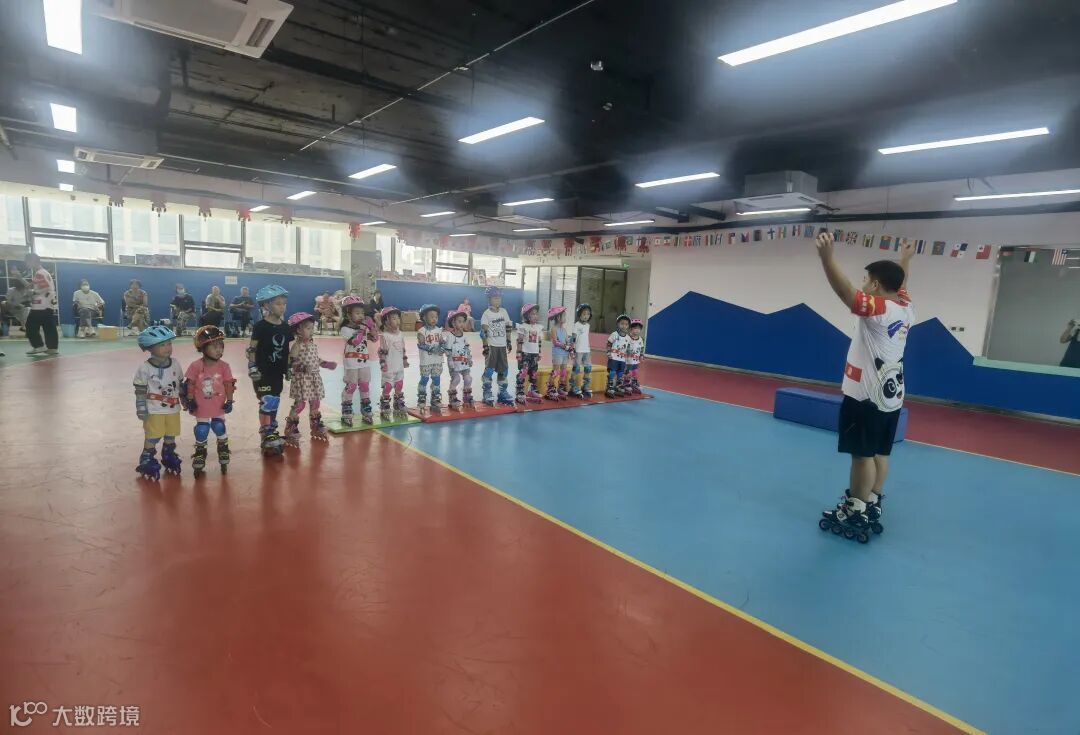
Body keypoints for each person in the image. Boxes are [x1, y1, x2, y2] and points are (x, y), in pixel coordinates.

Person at [816, 232, 916, 542]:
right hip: (891, 399)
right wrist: (904, 260)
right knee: (879, 452)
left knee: (861, 456)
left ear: (875, 285)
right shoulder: (905, 307)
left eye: (866, 280)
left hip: (864, 397)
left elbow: (846, 292)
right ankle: (872, 499)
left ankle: (855, 508)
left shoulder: (879, 310)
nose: (862, 284)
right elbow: (900, 285)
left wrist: (826, 258)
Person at [133, 326, 184, 480]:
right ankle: (147, 457)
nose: (168, 348)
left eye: (169, 343)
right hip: (154, 410)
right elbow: (140, 389)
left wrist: (186, 400)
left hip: (173, 409)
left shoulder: (175, 364)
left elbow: (180, 385)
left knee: (171, 434)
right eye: (162, 345)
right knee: (153, 436)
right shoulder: (145, 368)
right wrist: (141, 406)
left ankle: (168, 454)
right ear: (150, 347)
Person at [184, 325, 235, 476]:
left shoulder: (224, 366)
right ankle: (200, 451)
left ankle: (223, 446)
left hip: (218, 404)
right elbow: (190, 384)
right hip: (201, 405)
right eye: (214, 346)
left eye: (221, 346)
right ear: (203, 348)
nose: (219, 350)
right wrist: (190, 400)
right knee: (202, 430)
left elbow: (229, 384)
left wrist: (230, 401)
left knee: (219, 426)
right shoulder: (196, 366)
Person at [248, 285, 291, 456]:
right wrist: (252, 366)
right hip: (262, 372)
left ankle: (271, 430)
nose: (283, 307)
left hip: (277, 372)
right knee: (267, 401)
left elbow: (287, 350)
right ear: (266, 305)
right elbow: (252, 348)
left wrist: (288, 367)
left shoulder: (285, 327)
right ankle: (266, 433)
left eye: (284, 304)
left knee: (275, 400)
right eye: (278, 304)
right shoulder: (260, 326)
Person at [283, 312, 336, 445]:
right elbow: (291, 363)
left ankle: (315, 426)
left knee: (315, 402)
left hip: (314, 378)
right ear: (298, 330)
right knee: (300, 404)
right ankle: (290, 428)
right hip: (302, 380)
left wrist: (326, 364)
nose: (311, 331)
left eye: (312, 328)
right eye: (308, 328)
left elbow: (315, 359)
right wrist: (302, 368)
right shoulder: (297, 346)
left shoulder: (312, 344)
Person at [339, 296, 379, 426]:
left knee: (365, 385)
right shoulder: (345, 329)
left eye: (362, 313)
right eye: (357, 313)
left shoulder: (363, 327)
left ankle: (366, 409)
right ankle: (346, 410)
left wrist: (372, 327)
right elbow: (355, 342)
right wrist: (363, 328)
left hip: (364, 362)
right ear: (348, 315)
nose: (361, 315)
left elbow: (375, 339)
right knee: (351, 386)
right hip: (351, 363)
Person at [479, 286, 514, 406]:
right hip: (492, 346)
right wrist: (485, 346)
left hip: (502, 346)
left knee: (504, 370)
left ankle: (502, 392)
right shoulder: (486, 314)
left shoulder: (504, 312)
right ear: (489, 299)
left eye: (499, 298)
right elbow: (483, 332)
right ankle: (487, 392)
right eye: (495, 298)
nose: (498, 300)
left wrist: (509, 341)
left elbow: (508, 327)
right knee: (489, 370)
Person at [21, 253, 59, 355]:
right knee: (48, 325)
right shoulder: (42, 272)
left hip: (41, 304)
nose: (26, 264)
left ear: (33, 261)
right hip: (47, 304)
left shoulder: (40, 273)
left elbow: (45, 287)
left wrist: (33, 292)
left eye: (27, 261)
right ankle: (52, 347)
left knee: (30, 325)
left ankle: (39, 346)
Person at [377, 306, 408, 418]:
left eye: (398, 318)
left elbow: (403, 349)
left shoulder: (401, 334)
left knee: (399, 384)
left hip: (399, 366)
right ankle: (384, 403)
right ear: (386, 321)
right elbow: (382, 352)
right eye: (394, 318)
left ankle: (398, 402)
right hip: (389, 366)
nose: (397, 320)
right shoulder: (385, 336)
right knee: (388, 386)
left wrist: (405, 360)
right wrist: (382, 364)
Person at [416, 304, 445, 413]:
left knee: (436, 379)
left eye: (436, 317)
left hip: (437, 360)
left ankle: (435, 397)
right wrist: (432, 349)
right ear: (424, 317)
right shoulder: (421, 331)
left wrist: (443, 347)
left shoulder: (438, 330)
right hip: (426, 361)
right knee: (424, 379)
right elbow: (421, 344)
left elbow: (442, 342)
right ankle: (421, 396)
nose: (434, 319)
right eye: (431, 316)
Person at [443, 309, 474, 409]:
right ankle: (452, 398)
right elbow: (448, 352)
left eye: (463, 321)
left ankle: (467, 397)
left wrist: (469, 358)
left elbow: (467, 349)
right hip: (454, 363)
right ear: (453, 323)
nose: (462, 324)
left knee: (468, 379)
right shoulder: (450, 337)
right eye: (459, 321)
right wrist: (450, 361)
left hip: (464, 362)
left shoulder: (464, 337)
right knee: (456, 379)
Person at [515, 304, 543, 404]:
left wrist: (539, 352)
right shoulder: (523, 326)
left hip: (534, 354)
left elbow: (539, 341)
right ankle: (519, 390)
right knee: (523, 371)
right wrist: (518, 353)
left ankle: (532, 390)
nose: (535, 316)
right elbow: (519, 341)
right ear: (526, 316)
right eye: (533, 314)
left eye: (536, 314)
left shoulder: (539, 327)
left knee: (534, 373)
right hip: (525, 353)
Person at [547, 306, 572, 400]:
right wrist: (565, 346)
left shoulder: (564, 330)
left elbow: (567, 340)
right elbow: (555, 342)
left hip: (565, 354)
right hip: (557, 353)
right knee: (556, 371)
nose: (565, 318)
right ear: (558, 317)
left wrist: (570, 347)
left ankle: (561, 387)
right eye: (564, 316)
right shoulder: (554, 329)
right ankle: (550, 388)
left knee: (563, 371)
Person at [569, 303, 593, 399]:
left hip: (587, 350)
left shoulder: (588, 325)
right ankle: (573, 387)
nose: (586, 316)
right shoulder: (576, 325)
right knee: (576, 369)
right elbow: (573, 338)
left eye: (588, 314)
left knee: (588, 368)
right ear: (579, 315)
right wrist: (572, 349)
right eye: (584, 314)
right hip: (578, 350)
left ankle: (585, 386)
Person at [605, 314, 632, 398]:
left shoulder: (628, 338)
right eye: (622, 323)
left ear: (628, 326)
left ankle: (618, 386)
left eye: (626, 324)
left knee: (620, 373)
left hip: (622, 359)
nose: (624, 326)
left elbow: (628, 349)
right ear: (618, 324)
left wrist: (629, 359)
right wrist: (608, 352)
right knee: (612, 372)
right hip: (613, 358)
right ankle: (609, 387)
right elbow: (609, 343)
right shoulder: (614, 334)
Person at [623, 318, 645, 395]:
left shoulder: (640, 339)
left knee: (635, 371)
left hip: (636, 359)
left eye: (639, 329)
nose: (637, 330)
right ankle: (626, 383)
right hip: (628, 360)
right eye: (635, 328)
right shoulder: (627, 337)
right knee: (628, 372)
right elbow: (623, 346)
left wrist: (641, 355)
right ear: (631, 328)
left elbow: (642, 348)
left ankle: (633, 383)